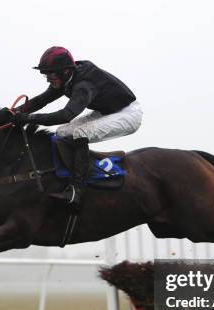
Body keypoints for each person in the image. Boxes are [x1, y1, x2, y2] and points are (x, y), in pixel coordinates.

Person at [13, 46, 143, 209]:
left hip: (129, 114)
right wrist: (13, 112)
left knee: (80, 133)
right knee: (62, 132)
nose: (48, 79)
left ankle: (77, 190)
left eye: (51, 74)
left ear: (65, 71)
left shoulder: (84, 85)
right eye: (45, 74)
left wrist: (28, 118)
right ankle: (68, 176)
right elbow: (41, 100)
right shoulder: (67, 77)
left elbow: (66, 115)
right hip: (107, 111)